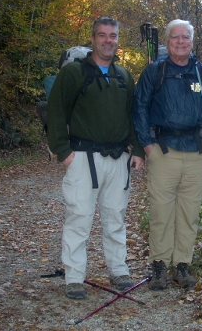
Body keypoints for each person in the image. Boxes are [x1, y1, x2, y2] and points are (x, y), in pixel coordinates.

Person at [46, 17, 145, 299]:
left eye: (112, 36)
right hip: (82, 157)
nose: (107, 40)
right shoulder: (74, 73)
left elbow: (132, 117)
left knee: (116, 218)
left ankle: (119, 270)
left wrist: (136, 149)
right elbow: (56, 112)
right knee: (79, 217)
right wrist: (63, 151)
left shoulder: (124, 76)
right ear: (93, 39)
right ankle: (74, 277)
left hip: (117, 159)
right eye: (102, 35)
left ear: (117, 40)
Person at [133, 19, 202, 290]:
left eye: (186, 37)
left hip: (197, 151)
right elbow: (139, 107)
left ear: (192, 42)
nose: (181, 41)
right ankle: (159, 264)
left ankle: (182, 265)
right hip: (163, 150)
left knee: (189, 211)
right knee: (161, 210)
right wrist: (147, 144)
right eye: (175, 37)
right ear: (167, 41)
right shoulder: (154, 71)